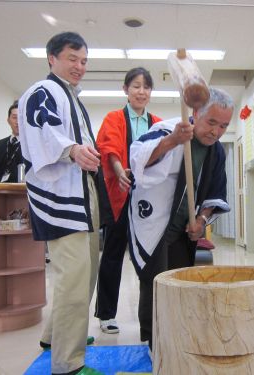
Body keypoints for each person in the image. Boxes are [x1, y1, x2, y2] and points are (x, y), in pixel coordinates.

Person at [18, 32, 111, 375]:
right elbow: (43, 130)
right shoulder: (44, 91)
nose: (79, 66)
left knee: (84, 274)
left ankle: (54, 336)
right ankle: (67, 364)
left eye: (84, 61)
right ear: (51, 58)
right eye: (73, 58)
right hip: (60, 198)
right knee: (73, 278)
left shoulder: (72, 97)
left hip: (81, 195)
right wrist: (71, 150)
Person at [128, 87, 234, 351]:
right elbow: (138, 158)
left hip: (182, 228)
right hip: (153, 222)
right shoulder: (168, 130)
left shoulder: (217, 151)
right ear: (196, 113)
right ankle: (156, 344)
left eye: (223, 126)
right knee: (155, 281)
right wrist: (173, 141)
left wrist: (201, 219)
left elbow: (214, 193)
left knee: (179, 280)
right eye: (211, 122)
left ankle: (177, 334)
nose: (216, 132)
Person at [94, 67, 162, 334]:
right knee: (112, 255)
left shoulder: (157, 122)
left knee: (150, 256)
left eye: (146, 87)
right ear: (125, 90)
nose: (141, 92)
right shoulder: (113, 118)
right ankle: (106, 314)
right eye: (136, 86)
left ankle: (153, 315)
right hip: (119, 195)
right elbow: (108, 149)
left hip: (148, 199)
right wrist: (121, 172)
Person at [0, 100, 23, 182]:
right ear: (8, 120)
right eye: (14, 117)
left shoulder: (31, 146)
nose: (18, 122)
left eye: (21, 118)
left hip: (21, 192)